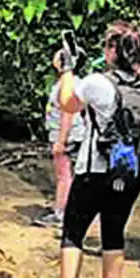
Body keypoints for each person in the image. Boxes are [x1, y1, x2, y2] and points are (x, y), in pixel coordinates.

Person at [34, 22, 140, 278]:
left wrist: (66, 69)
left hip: (95, 171)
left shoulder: (97, 83)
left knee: (73, 232)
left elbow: (67, 103)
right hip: (132, 172)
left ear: (113, 52)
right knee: (114, 232)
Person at [34, 61, 87, 229]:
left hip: (67, 135)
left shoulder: (67, 84)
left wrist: (61, 141)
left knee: (63, 175)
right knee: (71, 175)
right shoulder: (78, 82)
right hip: (75, 134)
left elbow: (68, 114)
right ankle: (70, 211)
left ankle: (61, 214)